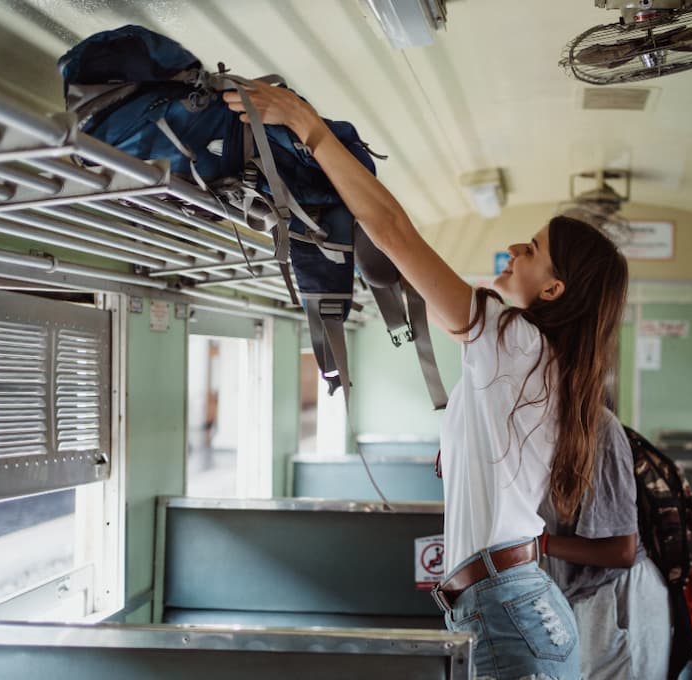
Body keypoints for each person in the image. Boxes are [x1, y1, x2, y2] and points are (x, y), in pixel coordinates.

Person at [224, 83, 629, 680]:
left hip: (507, 611)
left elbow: (393, 230)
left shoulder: (513, 338)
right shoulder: (546, 363)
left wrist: (307, 126)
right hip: (515, 605)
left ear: (553, 291)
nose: (515, 247)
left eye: (534, 248)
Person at [539, 408, 671, 680]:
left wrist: (540, 544)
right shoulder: (533, 427)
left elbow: (622, 551)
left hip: (620, 599)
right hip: (582, 598)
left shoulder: (599, 429)